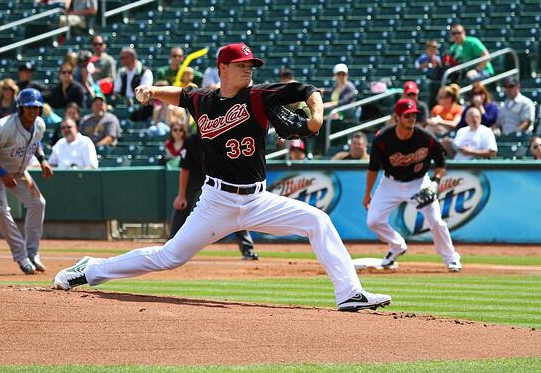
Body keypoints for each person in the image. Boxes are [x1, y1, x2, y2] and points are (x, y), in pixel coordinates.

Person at [54, 42, 391, 312]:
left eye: (250, 66)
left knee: (317, 221)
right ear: (224, 68)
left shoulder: (258, 96)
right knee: (170, 257)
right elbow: (182, 95)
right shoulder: (203, 99)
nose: (248, 69)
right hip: (216, 201)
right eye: (242, 65)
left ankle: (350, 293)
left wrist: (315, 117)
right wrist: (154, 90)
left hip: (257, 200)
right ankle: (90, 269)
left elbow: (308, 90)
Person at [363, 98, 462, 272]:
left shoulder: (426, 138)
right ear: (397, 117)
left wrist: (436, 182)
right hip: (390, 184)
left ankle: (451, 258)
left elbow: (441, 163)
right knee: (373, 220)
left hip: (419, 182)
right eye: (407, 115)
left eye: (414, 115)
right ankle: (396, 246)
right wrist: (367, 194)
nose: (411, 119)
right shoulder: (383, 139)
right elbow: (373, 168)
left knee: (436, 222)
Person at [0, 88, 53, 274]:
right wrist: (2, 173)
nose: (32, 111)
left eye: (36, 107)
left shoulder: (39, 124)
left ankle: (32, 253)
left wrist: (42, 161)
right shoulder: (5, 126)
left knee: (38, 203)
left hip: (17, 169)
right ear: (21, 108)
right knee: (1, 211)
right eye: (28, 107)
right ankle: (21, 256)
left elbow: (35, 141)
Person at [171, 132, 258, 260]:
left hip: (218, 176)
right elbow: (185, 168)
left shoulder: (221, 134)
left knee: (233, 208)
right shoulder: (192, 140)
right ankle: (171, 247)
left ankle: (247, 250)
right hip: (197, 175)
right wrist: (181, 195)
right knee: (182, 205)